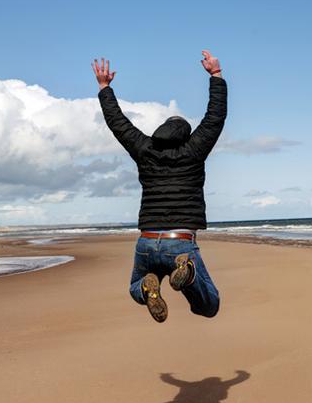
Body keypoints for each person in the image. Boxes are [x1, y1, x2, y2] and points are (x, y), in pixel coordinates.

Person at [92, 51, 227, 323]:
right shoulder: (194, 150)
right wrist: (216, 76)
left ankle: (147, 286)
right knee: (208, 306)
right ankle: (186, 274)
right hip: (180, 244)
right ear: (186, 136)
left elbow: (118, 124)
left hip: (147, 240)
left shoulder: (144, 150)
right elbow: (215, 118)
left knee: (135, 287)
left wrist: (105, 88)